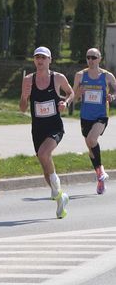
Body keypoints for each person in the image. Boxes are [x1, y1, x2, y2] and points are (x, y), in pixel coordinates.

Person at [20, 46, 74, 218]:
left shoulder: (58, 78)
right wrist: (23, 97)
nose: (40, 61)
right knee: (45, 167)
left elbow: (71, 92)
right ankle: (60, 199)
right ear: (34, 60)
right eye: (37, 57)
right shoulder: (28, 80)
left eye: (43, 57)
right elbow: (22, 109)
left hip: (54, 127)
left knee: (44, 154)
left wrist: (66, 102)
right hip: (37, 128)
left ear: (50, 60)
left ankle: (56, 188)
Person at [72, 47, 116, 194]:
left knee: (92, 139)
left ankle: (101, 171)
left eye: (93, 57)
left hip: (101, 115)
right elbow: (74, 97)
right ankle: (100, 176)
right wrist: (79, 92)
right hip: (85, 116)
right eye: (88, 57)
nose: (90, 60)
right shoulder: (80, 75)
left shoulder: (107, 76)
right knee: (91, 149)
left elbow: (115, 91)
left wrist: (112, 97)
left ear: (99, 59)